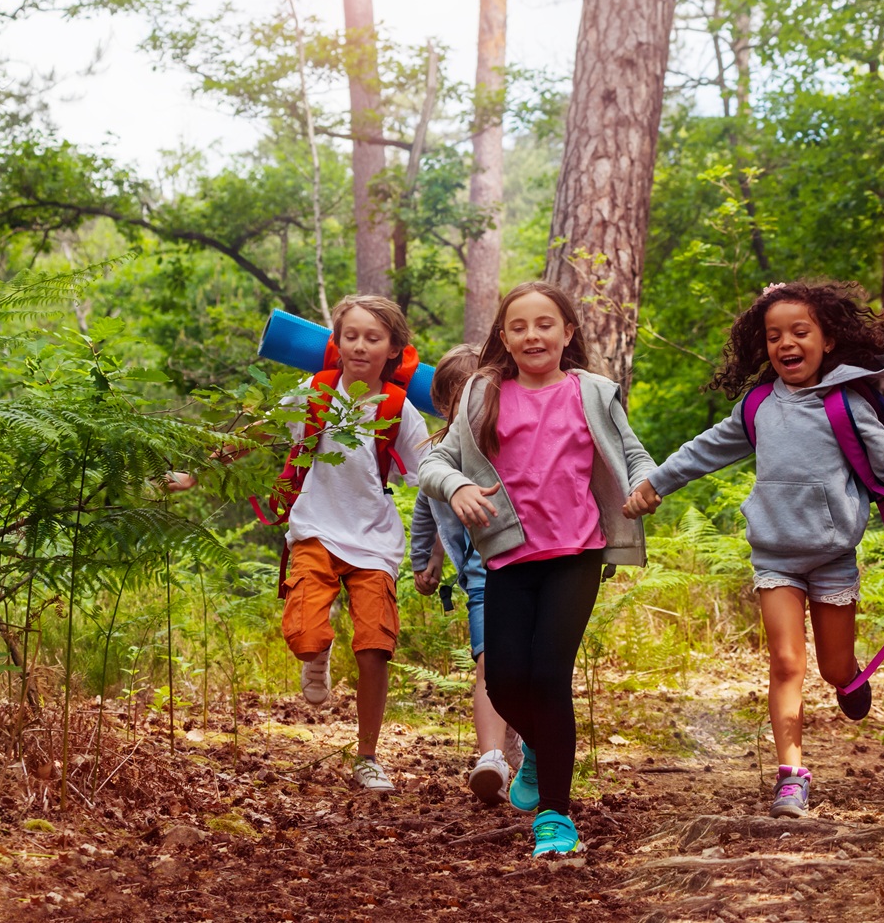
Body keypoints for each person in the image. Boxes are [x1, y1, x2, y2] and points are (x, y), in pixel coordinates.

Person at [626, 281, 884, 820]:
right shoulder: (756, 407)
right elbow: (706, 449)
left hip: (833, 554)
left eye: (800, 332)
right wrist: (657, 482)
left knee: (833, 665)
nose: (786, 344)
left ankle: (848, 679)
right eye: (774, 336)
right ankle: (791, 776)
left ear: (827, 341)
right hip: (775, 555)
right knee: (786, 662)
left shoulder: (846, 404)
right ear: (763, 346)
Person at [418, 282, 654, 858]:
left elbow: (633, 454)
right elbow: (434, 462)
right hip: (508, 557)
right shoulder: (483, 392)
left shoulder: (594, 392)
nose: (532, 335)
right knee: (502, 682)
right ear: (503, 337)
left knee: (549, 677)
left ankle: (555, 813)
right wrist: (459, 486)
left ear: (567, 333)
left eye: (545, 324)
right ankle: (546, 749)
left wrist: (648, 484)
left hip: (576, 554)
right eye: (519, 326)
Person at [280, 295, 430, 793]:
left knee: (374, 649)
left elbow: (430, 467)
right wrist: (200, 468)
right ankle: (316, 652)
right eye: (351, 336)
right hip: (315, 528)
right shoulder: (314, 392)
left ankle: (367, 756)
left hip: (374, 540)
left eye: (373, 337)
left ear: (393, 350)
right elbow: (257, 437)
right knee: (304, 634)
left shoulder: (397, 408)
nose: (361, 345)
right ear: (337, 342)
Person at [408, 343, 518, 803]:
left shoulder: (511, 438)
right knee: (490, 666)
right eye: (459, 400)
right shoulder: (438, 456)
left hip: (531, 564)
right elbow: (427, 509)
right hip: (482, 575)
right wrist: (426, 560)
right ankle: (491, 756)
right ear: (443, 404)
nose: (470, 407)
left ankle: (523, 754)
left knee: (530, 669)